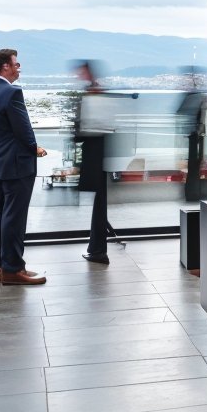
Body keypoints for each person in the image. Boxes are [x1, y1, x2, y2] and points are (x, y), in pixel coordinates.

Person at [0, 48, 47, 285]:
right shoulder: (11, 93)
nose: (18, 68)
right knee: (14, 216)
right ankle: (13, 269)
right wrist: (34, 149)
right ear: (5, 66)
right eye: (16, 64)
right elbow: (24, 132)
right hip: (17, 165)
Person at [74, 60, 118, 264]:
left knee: (99, 205)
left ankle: (99, 250)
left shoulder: (93, 95)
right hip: (101, 156)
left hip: (96, 156)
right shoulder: (99, 93)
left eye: (81, 72)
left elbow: (84, 130)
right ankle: (97, 248)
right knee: (99, 204)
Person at [177, 69, 207, 197]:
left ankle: (191, 192)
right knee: (194, 165)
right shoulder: (195, 96)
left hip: (193, 134)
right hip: (194, 135)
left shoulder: (189, 96)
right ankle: (193, 193)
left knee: (193, 165)